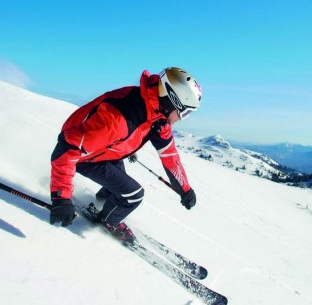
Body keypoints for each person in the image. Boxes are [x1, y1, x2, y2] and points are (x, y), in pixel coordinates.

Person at [49, 67, 201, 242]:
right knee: (133, 194)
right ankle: (107, 221)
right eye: (185, 112)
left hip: (104, 150)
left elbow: (170, 157)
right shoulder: (119, 118)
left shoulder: (157, 116)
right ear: (172, 100)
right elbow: (67, 148)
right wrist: (61, 198)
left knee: (120, 181)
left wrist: (185, 190)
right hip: (84, 157)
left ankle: (101, 203)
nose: (182, 118)